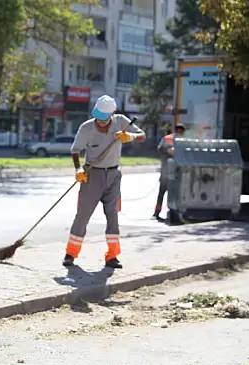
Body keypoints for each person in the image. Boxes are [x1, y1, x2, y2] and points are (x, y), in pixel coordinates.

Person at [63, 95, 146, 269]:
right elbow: (75, 150)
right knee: (82, 216)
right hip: (92, 176)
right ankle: (70, 254)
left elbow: (142, 136)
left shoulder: (121, 121)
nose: (100, 122)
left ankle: (112, 257)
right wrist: (78, 169)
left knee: (113, 217)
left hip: (114, 176)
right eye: (98, 118)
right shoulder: (86, 128)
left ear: (113, 113)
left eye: (104, 118)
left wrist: (129, 136)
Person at [153, 123, 185, 219]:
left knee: (174, 193)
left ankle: (174, 211)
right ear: (176, 130)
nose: (180, 132)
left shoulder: (183, 140)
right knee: (162, 192)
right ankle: (157, 212)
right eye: (179, 130)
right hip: (167, 170)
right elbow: (159, 149)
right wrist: (168, 150)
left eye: (181, 131)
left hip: (177, 171)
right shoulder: (168, 138)